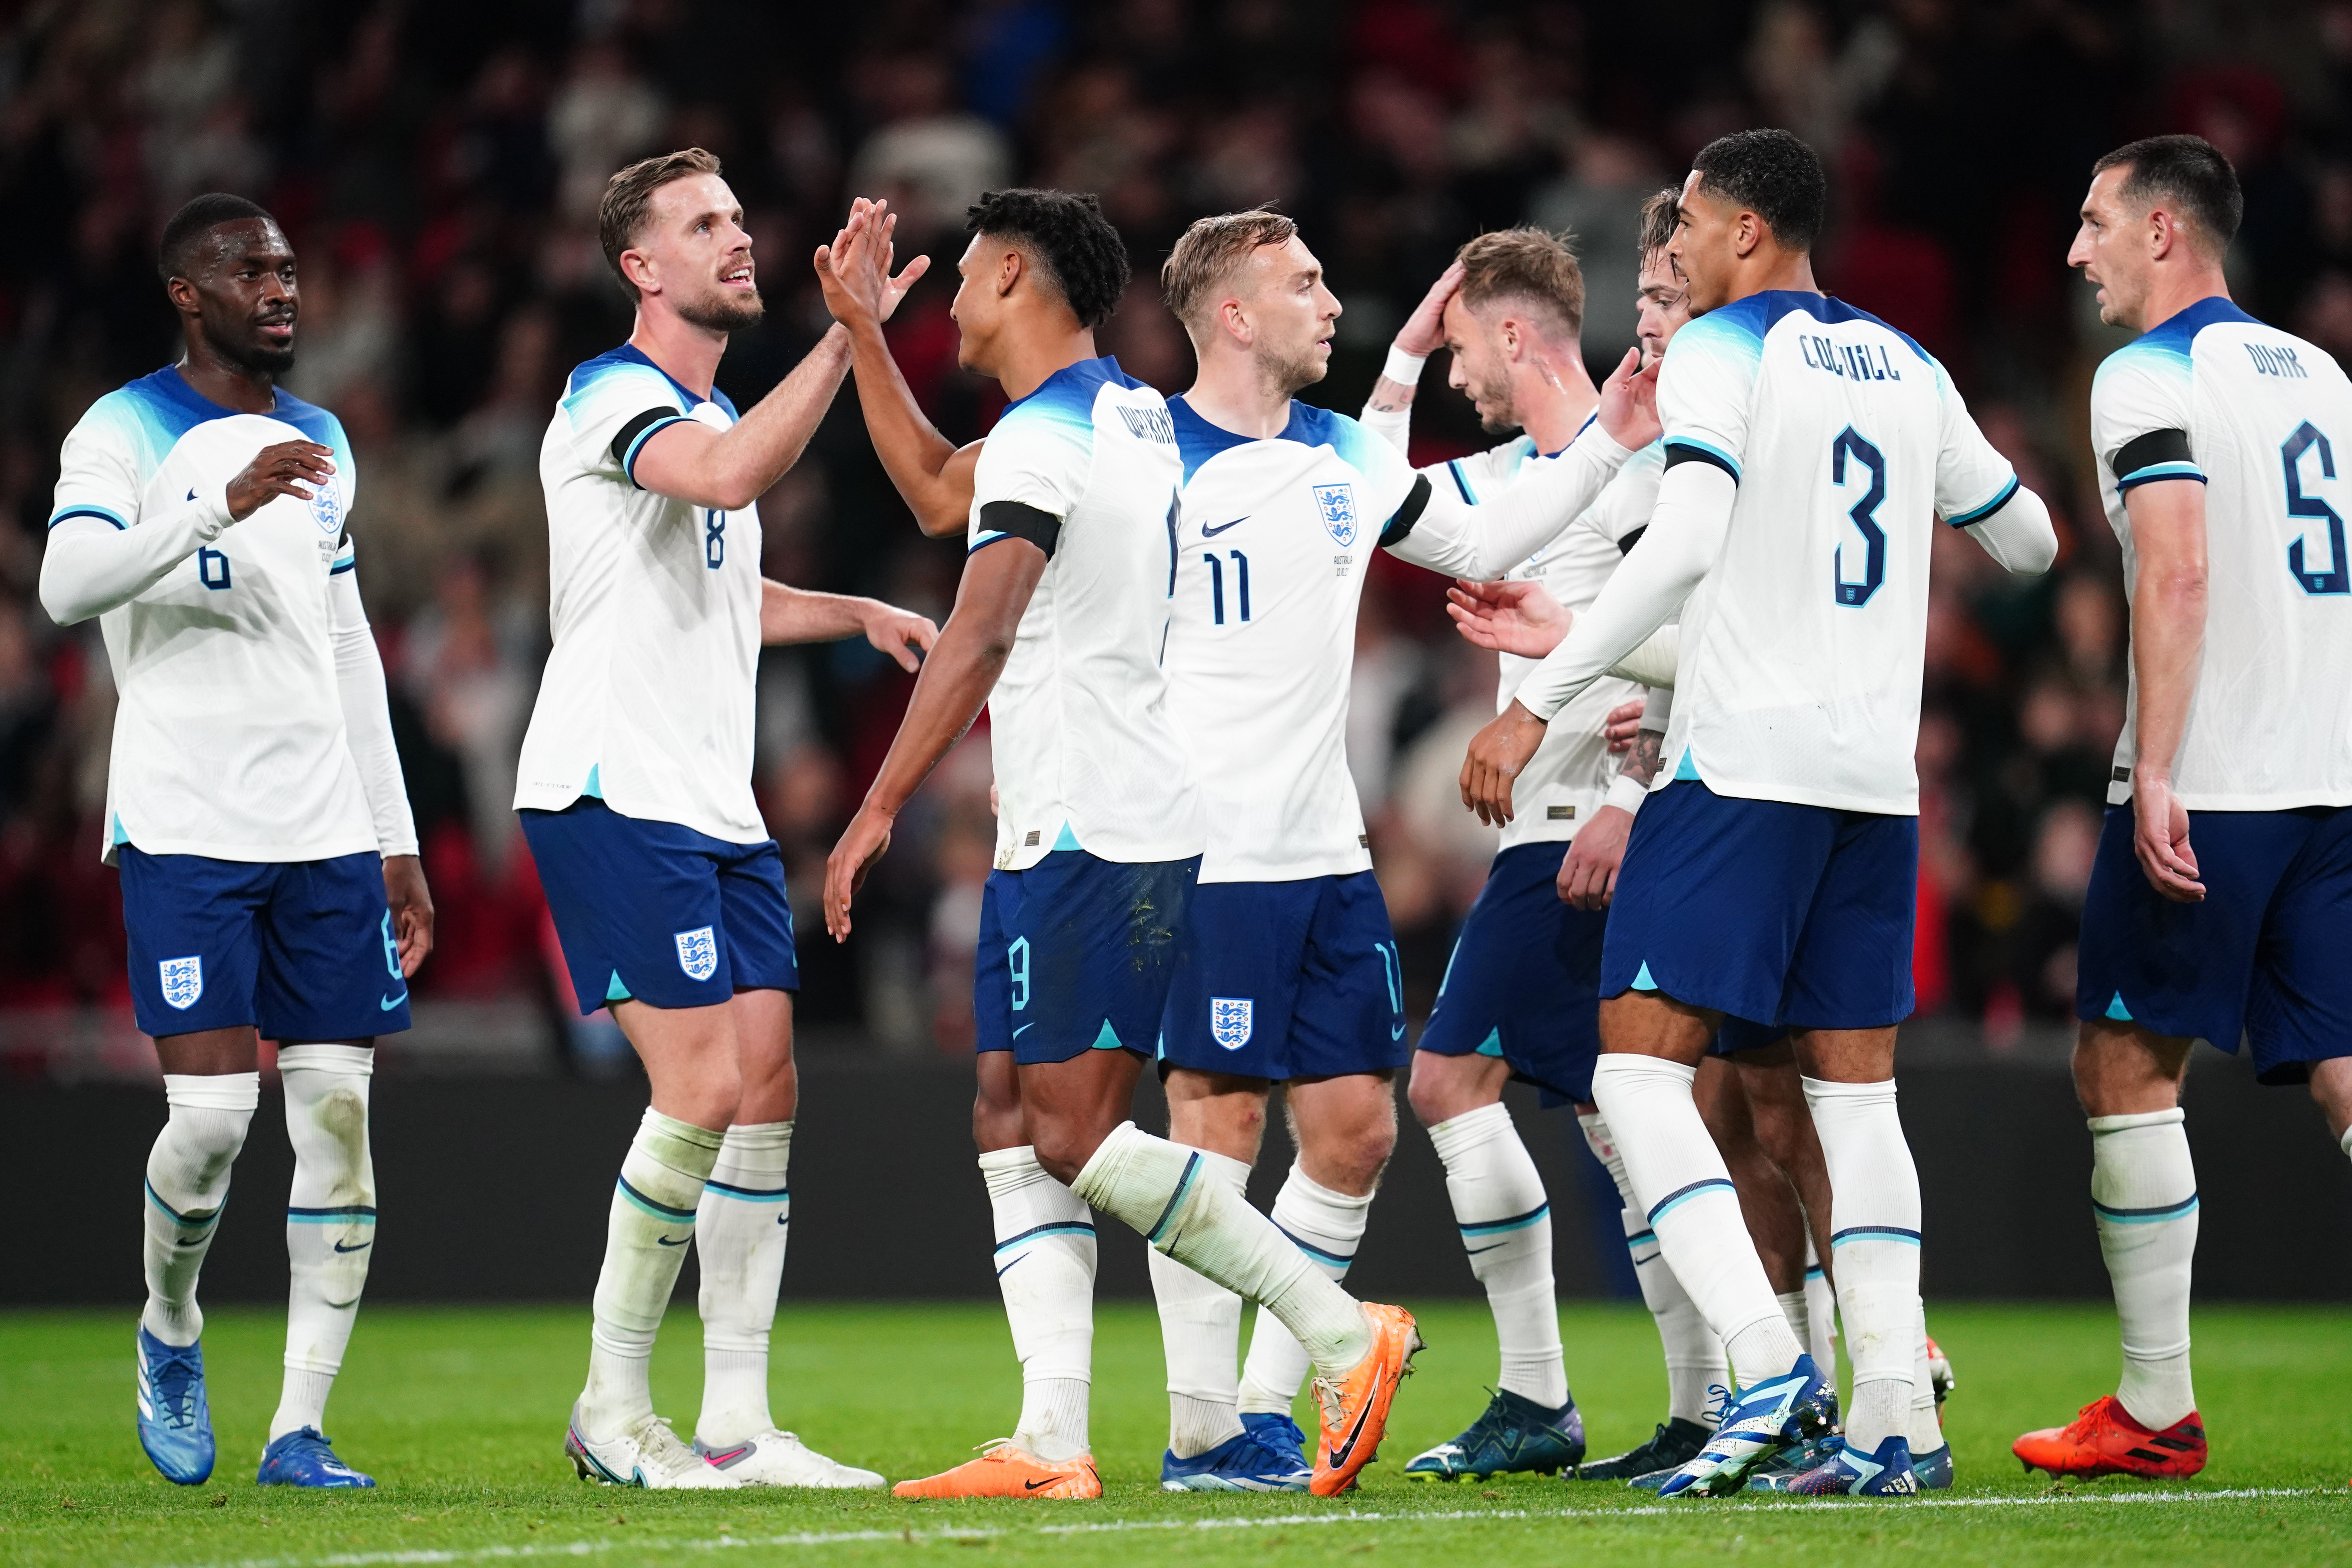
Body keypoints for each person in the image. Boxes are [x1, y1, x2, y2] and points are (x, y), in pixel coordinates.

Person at [1460, 128, 2056, 1498]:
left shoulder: (1723, 350)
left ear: (1744, 230)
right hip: (1874, 783)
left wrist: (1536, 703)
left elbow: (1683, 541)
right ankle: (1895, 1419)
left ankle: (1767, 1365)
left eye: (1685, 227)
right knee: (1855, 1103)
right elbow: (2028, 540)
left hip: (1740, 774)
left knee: (1634, 1075)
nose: (1669, 251)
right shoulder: (1910, 362)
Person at [816, 189, 1422, 1501]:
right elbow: (935, 490)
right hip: (1072, 814)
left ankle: (1339, 1332)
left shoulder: (1048, 440)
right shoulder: (1128, 415)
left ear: (1014, 277)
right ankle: (1050, 1439)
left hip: (1097, 825)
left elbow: (980, 630)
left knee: (1074, 1136)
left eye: (964, 276)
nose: (950, 302)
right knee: (1005, 1114)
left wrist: (875, 807)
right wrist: (861, 330)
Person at [1142, 211, 1660, 1492]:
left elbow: (1480, 543)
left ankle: (1270, 1407)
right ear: (1232, 315)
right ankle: (1205, 1425)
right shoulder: (1141, 453)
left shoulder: (1338, 452)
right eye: (1304, 282)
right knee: (1217, 1122)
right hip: (1209, 852)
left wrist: (1604, 432)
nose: (1334, 300)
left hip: (1329, 860)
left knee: (1359, 1131)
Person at [515, 148, 936, 1491]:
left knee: (764, 1089)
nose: (738, 238)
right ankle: (609, 1407)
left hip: (712, 803)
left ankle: (741, 1427)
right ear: (640, 267)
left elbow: (725, 589)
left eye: (740, 218)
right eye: (704, 224)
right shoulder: (609, 397)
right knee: (698, 1089)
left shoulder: (708, 411)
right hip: (612, 788)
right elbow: (734, 479)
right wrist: (852, 332)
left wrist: (852, 613)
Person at [41, 193, 435, 1489]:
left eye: (287, 270)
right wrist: (219, 504)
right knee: (211, 1125)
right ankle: (170, 1326)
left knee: (337, 1117)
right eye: (249, 271)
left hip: (325, 829)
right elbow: (65, 587)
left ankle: (298, 1429)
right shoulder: (122, 430)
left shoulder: (324, 437)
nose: (280, 290)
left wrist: (395, 836)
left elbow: (345, 641)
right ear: (185, 292)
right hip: (187, 821)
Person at [2014, 133, 2352, 1481]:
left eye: (2096, 223)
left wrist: (2153, 768)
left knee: (2125, 1062)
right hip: (2332, 777)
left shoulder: (2146, 374)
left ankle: (2156, 1407)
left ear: (2163, 231)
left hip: (2216, 781)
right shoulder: (2321, 373)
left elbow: (2180, 569)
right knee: (2343, 1067)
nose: (2078, 251)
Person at [1356, 218, 1673, 1482]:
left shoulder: (1642, 459)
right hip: (1545, 836)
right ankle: (1721, 1398)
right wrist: (1396, 356)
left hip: (1592, 833)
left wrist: (1631, 799)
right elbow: (1376, 504)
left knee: (1453, 1083)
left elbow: (1692, 634)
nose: (1454, 375)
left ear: (1509, 333)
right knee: (1622, 1120)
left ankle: (1552, 1393)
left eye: (1457, 351)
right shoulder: (1514, 478)